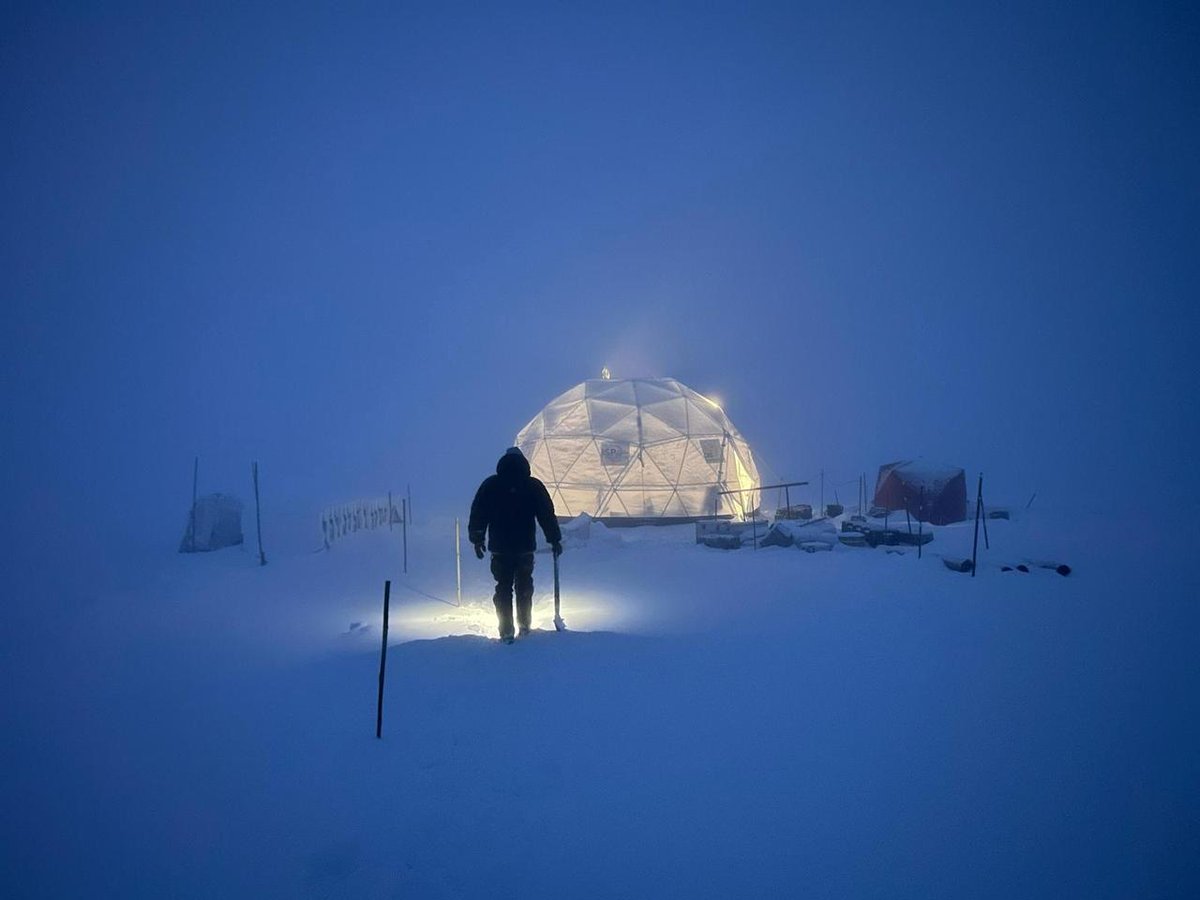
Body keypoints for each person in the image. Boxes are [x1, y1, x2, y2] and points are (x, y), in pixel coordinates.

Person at [469, 447, 563, 643]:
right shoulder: (533, 485)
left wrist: (478, 538)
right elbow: (546, 514)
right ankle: (524, 626)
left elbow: (479, 513)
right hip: (524, 547)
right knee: (524, 586)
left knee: (502, 587)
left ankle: (506, 631)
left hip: (500, 549)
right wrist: (554, 539)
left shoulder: (491, 485)